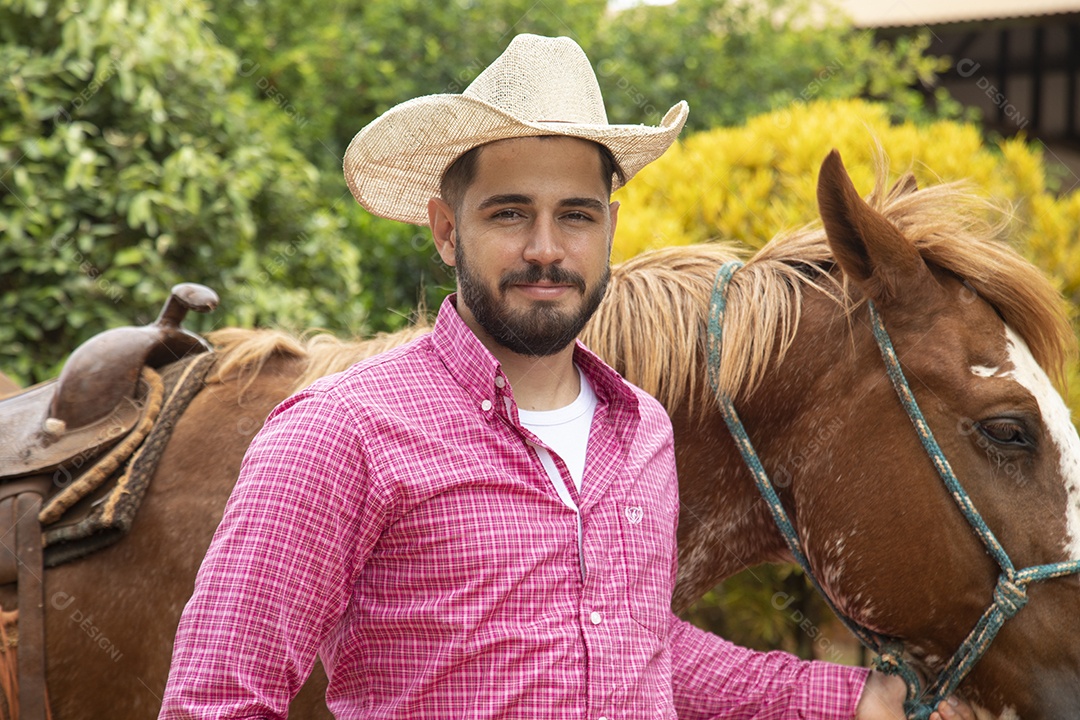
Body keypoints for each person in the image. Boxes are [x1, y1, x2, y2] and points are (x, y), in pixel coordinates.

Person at [159, 34, 973, 720]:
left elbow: (632, 645)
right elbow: (217, 700)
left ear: (609, 228)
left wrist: (851, 700)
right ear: (446, 230)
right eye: (509, 212)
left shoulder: (643, 431)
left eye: (575, 215)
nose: (546, 248)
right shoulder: (339, 433)